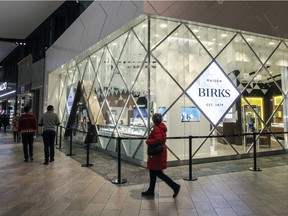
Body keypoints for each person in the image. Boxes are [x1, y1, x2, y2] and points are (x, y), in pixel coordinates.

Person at [142, 113, 180, 198]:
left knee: (158, 173)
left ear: (154, 120)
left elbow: (158, 139)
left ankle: (175, 186)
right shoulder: (161, 127)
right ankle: (151, 190)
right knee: (152, 172)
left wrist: (148, 141)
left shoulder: (156, 128)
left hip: (157, 154)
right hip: (159, 152)